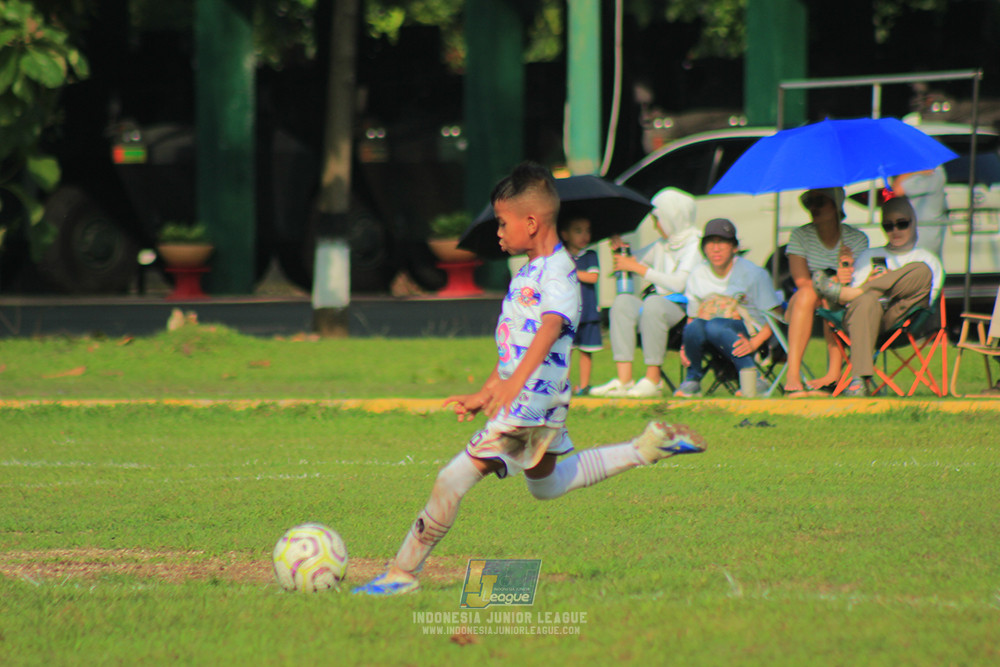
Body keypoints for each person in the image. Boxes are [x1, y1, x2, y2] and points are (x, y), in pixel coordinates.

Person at [352, 162, 706, 597]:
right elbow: (516, 345)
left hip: (531, 403)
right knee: (549, 485)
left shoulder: (558, 270)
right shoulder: (528, 272)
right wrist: (488, 389)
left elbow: (550, 327)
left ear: (532, 222)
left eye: (502, 223)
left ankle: (401, 573)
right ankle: (645, 448)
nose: (497, 233)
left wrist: (511, 386)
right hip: (540, 400)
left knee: (451, 479)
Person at [812, 195, 944, 396]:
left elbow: (926, 299)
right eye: (888, 226)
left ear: (913, 222)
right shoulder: (869, 256)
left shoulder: (928, 258)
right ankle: (859, 380)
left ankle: (850, 293)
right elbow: (855, 306)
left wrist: (887, 283)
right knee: (865, 300)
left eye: (902, 224)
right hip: (864, 319)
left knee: (921, 271)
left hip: (902, 319)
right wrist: (868, 284)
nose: (896, 231)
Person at [589, 188, 701, 398]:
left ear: (672, 218)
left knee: (652, 303)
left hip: (685, 309)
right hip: (658, 305)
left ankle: (653, 379)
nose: (654, 225)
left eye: (657, 219)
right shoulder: (663, 244)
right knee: (622, 302)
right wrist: (620, 249)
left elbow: (678, 284)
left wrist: (637, 268)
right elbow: (634, 260)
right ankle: (624, 379)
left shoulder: (695, 244)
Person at [674, 218, 782, 398]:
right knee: (696, 326)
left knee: (715, 324)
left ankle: (753, 377)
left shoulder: (754, 274)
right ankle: (692, 379)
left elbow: (776, 315)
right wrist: (686, 345)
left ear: (734, 247)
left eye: (722, 242)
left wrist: (754, 343)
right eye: (710, 243)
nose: (715, 249)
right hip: (710, 336)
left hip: (750, 333)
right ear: (703, 248)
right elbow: (692, 317)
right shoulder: (697, 274)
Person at [783, 187, 870, 396]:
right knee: (811, 294)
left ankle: (833, 374)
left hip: (840, 300)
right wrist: (829, 284)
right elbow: (801, 281)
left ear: (836, 205)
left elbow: (856, 284)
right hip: (804, 301)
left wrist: (846, 268)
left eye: (820, 201)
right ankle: (792, 375)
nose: (813, 207)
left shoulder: (856, 239)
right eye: (809, 202)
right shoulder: (800, 235)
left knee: (831, 297)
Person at [558, 217, 602, 395]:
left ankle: (584, 386)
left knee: (586, 350)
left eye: (587, 231)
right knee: (566, 350)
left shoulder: (590, 256)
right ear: (565, 234)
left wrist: (572, 272)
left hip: (588, 311)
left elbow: (592, 277)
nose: (584, 235)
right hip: (568, 313)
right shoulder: (560, 257)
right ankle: (563, 385)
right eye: (578, 231)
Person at [890, 165, 948, 257]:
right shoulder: (928, 172)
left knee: (922, 266)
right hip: (923, 233)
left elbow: (898, 188)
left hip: (923, 236)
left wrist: (912, 171)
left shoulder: (932, 174)